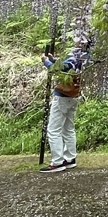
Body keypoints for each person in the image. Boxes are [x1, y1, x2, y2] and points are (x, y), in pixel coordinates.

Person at [40, 39, 89, 173]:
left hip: (62, 97)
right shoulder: (85, 56)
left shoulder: (76, 56)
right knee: (68, 129)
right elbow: (67, 66)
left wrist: (46, 61)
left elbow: (60, 69)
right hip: (73, 96)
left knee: (53, 130)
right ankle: (70, 158)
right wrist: (54, 59)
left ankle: (57, 162)